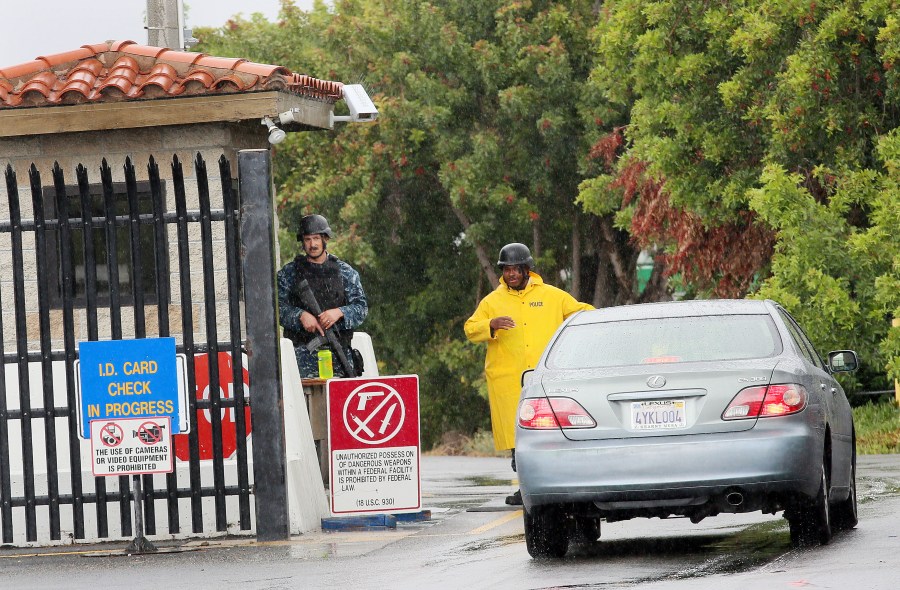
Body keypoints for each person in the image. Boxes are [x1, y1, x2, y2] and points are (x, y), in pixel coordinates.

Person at [464, 243, 594, 504]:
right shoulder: (492, 301)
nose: (511, 274)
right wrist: (490, 323)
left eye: (515, 269)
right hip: (508, 381)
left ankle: (560, 483)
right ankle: (524, 489)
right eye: (506, 270)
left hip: (545, 380)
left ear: (526, 269)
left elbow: (583, 313)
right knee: (519, 439)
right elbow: (470, 329)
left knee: (552, 432)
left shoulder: (552, 295)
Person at [277, 214, 368, 378]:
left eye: (316, 238)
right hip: (302, 358)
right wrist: (300, 316)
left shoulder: (345, 272)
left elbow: (361, 308)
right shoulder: (289, 274)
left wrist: (339, 312)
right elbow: (277, 309)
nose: (312, 244)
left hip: (339, 358)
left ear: (325, 239)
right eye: (307, 239)